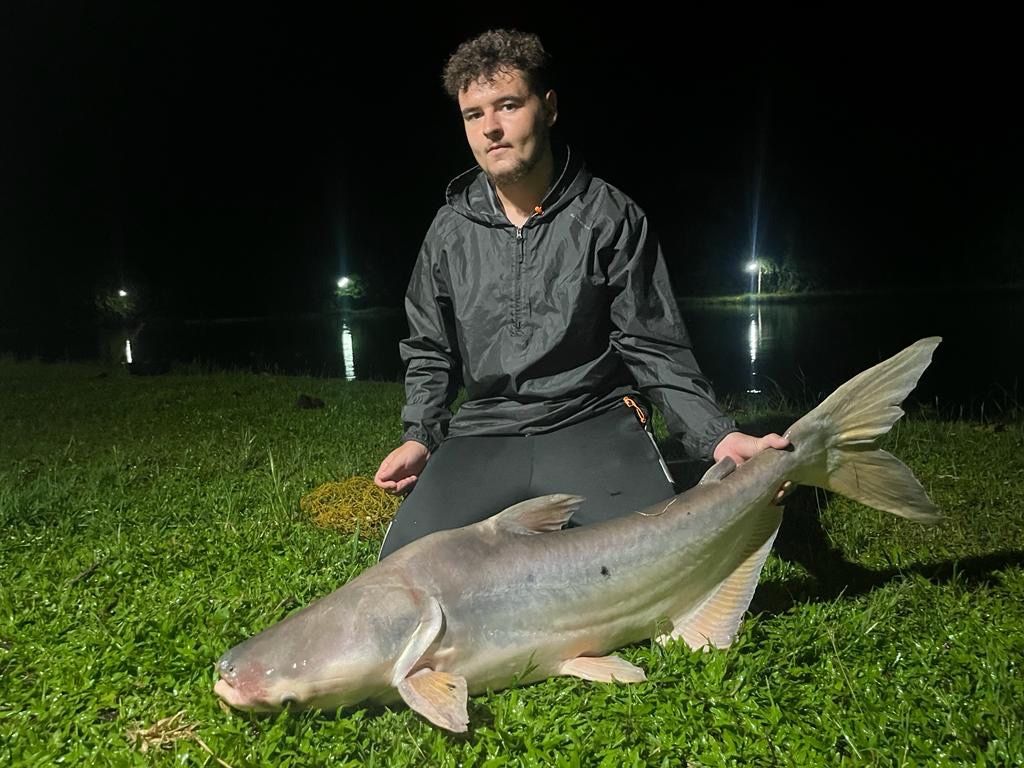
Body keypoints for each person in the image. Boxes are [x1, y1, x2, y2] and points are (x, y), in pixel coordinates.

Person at [374, 29, 788, 560]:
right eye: (473, 115)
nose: (491, 129)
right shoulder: (449, 229)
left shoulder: (610, 216)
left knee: (654, 561)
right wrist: (420, 435)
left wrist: (717, 438)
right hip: (486, 429)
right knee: (410, 566)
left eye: (507, 105)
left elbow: (653, 345)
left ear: (548, 108)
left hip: (592, 419)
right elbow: (430, 348)